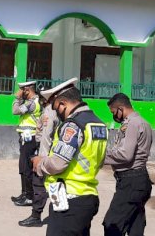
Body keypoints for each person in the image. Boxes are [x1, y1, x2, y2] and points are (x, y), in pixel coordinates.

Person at [31, 78, 108, 236]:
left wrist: (39, 162)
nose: (55, 113)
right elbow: (99, 162)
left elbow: (57, 164)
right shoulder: (98, 124)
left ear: (63, 103)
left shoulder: (73, 125)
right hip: (87, 195)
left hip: (69, 199)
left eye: (55, 108)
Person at [102, 93, 153, 236]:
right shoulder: (143, 122)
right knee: (135, 225)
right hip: (139, 179)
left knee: (112, 224)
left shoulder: (133, 124)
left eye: (114, 112)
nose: (114, 116)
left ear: (121, 108)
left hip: (131, 181)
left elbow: (125, 154)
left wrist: (101, 158)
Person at [19, 89, 60, 227]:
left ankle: (36, 215)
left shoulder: (49, 111)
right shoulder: (53, 111)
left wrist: (40, 159)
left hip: (47, 153)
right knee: (55, 183)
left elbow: (46, 137)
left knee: (39, 184)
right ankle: (59, 213)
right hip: (54, 153)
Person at [11, 81, 41, 207]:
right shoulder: (30, 102)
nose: (19, 92)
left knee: (27, 167)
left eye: (21, 90)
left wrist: (17, 98)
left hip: (30, 139)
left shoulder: (32, 103)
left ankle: (29, 196)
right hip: (25, 138)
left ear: (27, 90)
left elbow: (15, 111)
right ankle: (24, 193)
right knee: (23, 166)